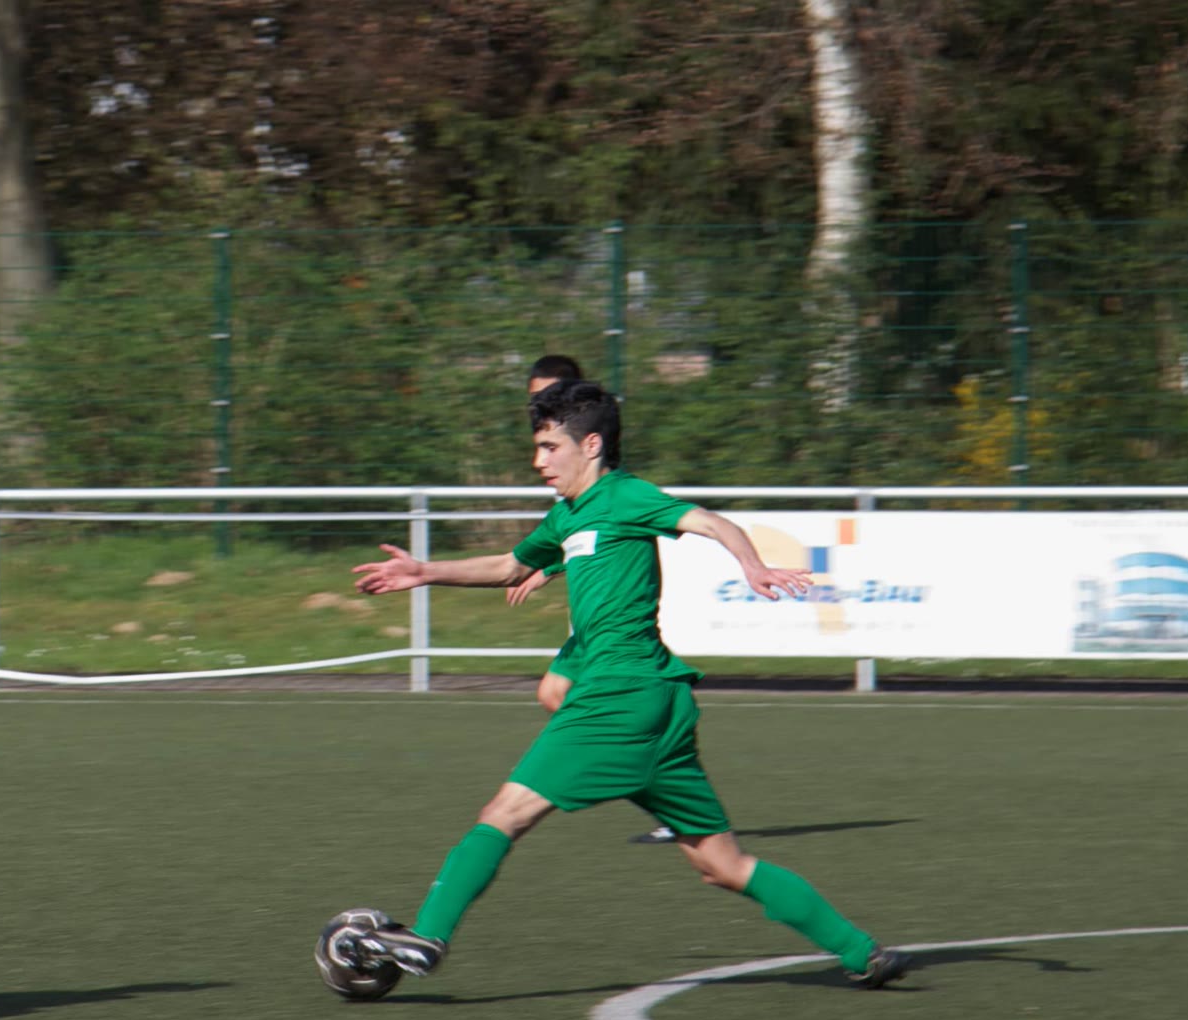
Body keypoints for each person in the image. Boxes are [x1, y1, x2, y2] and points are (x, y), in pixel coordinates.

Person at [335, 381, 909, 988]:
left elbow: (709, 521)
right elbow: (510, 565)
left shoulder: (626, 494)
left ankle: (430, 935)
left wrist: (752, 565)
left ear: (591, 444)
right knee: (722, 863)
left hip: (618, 694)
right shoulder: (566, 514)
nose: (538, 460)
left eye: (549, 447)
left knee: (505, 812)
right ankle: (861, 951)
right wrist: (425, 571)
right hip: (660, 702)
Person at [520, 356, 675, 846]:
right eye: (533, 394)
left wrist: (548, 567)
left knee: (566, 703)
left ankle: (651, 778)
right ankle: (659, 787)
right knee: (553, 694)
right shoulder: (560, 461)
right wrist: (543, 565)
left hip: (616, 626)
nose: (537, 401)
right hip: (589, 623)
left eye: (546, 392)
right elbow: (574, 534)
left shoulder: (607, 478)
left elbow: (605, 531)